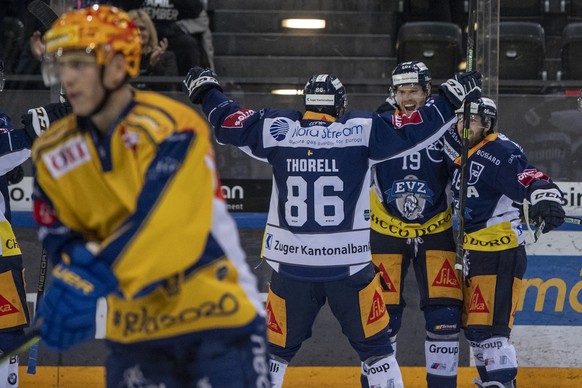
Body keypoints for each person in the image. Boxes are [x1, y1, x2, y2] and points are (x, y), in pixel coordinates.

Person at [182, 66, 482, 387]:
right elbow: (415, 127)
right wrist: (450, 97)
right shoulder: (360, 130)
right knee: (378, 352)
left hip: (291, 267)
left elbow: (228, 119)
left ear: (306, 101)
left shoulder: (277, 128)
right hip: (348, 268)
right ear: (340, 105)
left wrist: (206, 90)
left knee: (274, 353)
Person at [30, 5, 270, 387]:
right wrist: (68, 275)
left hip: (218, 321)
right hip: (135, 333)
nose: (67, 78)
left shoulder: (173, 126)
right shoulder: (51, 151)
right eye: (62, 65)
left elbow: (163, 225)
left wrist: (87, 276)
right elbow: (58, 230)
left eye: (79, 65)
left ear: (116, 65)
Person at [442, 97, 565, 388]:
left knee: (493, 333)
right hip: (476, 254)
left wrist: (545, 197)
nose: (463, 125)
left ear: (487, 123)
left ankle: (502, 384)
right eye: (461, 119)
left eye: (471, 120)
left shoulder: (500, 152)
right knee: (476, 331)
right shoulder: (465, 149)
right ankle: (493, 383)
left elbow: (530, 177)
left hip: (500, 253)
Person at [369, 61, 462, 388]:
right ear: (393, 93)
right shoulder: (378, 125)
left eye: (415, 91)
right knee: (381, 318)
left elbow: (463, 167)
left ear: (427, 92)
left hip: (435, 230)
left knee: (445, 316)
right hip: (386, 232)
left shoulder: (446, 125)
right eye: (402, 91)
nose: (408, 97)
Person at [127, 9, 179, 91]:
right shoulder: (118, 58)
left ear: (150, 32)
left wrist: (155, 64)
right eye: (134, 28)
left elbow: (168, 89)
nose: (138, 32)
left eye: (142, 29)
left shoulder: (167, 57)